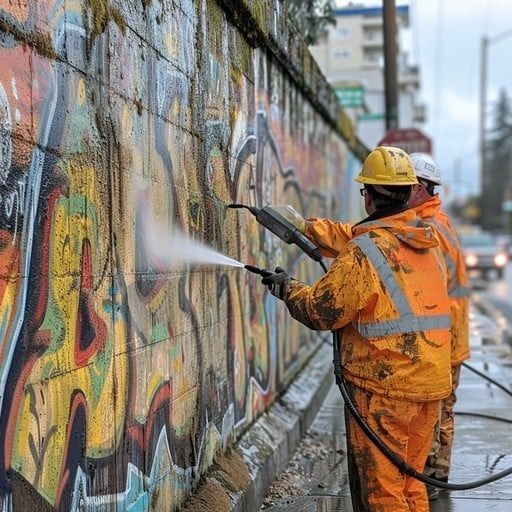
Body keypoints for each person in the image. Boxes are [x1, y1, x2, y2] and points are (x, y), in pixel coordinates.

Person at [260, 146, 452, 512]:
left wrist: (287, 288)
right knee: (411, 484)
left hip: (386, 390)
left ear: (370, 196)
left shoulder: (364, 253)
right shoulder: (425, 242)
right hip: (429, 385)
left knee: (384, 493)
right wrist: (305, 227)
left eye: (364, 191)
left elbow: (323, 311)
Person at [407, 153, 470, 499]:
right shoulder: (437, 221)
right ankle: (436, 475)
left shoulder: (426, 229)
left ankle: (431, 478)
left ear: (418, 188)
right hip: (449, 334)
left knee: (435, 409)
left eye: (404, 185)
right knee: (443, 407)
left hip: (441, 337)